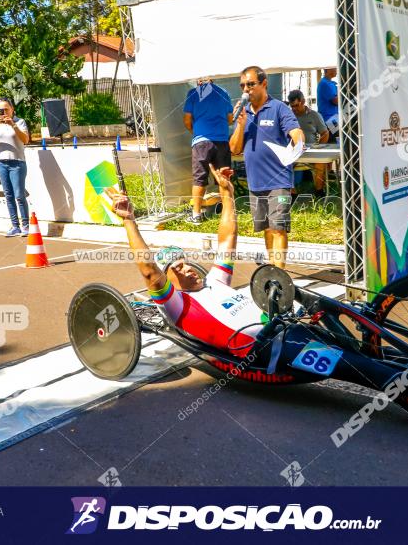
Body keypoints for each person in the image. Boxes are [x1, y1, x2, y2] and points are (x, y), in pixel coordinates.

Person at [106, 164, 267, 355]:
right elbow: (149, 270)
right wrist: (129, 220)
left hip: (277, 328)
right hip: (258, 350)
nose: (187, 269)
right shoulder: (176, 302)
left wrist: (227, 193)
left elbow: (228, 239)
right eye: (177, 268)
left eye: (186, 263)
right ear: (166, 280)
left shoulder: (214, 280)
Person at [229, 66, 304, 269]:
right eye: (243, 85)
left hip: (279, 180)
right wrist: (241, 125)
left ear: (264, 83)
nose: (246, 89)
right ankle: (272, 271)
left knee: (278, 227)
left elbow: (296, 132)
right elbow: (234, 149)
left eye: (251, 84)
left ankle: (279, 275)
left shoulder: (279, 108)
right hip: (256, 182)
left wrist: (298, 142)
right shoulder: (244, 114)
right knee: (267, 229)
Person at [183, 77, 233, 224]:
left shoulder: (193, 93)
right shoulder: (224, 93)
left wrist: (197, 132)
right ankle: (228, 213)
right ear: (212, 79)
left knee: (199, 178)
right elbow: (230, 119)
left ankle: (196, 215)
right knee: (224, 177)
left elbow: (187, 119)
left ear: (198, 79)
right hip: (222, 140)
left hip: (201, 142)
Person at [0, 98, 31, 237]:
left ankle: (26, 225)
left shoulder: (20, 122)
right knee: (8, 196)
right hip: (1, 163)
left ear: (12, 109)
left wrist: (13, 125)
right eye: (0, 110)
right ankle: (15, 226)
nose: (3, 113)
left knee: (19, 195)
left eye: (6, 110)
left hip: (17, 162)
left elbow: (25, 140)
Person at [288, 89, 330, 198]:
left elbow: (325, 134)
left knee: (321, 163)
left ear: (303, 102)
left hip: (311, 150)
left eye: (296, 105)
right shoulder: (288, 116)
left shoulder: (315, 115)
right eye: (292, 106)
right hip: (293, 151)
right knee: (283, 164)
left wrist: (318, 147)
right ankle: (292, 195)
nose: (294, 109)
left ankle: (319, 192)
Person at [317, 68, 339, 141]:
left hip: (333, 119)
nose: (336, 70)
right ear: (328, 70)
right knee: (332, 143)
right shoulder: (325, 83)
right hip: (329, 120)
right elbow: (335, 101)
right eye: (334, 68)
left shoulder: (331, 83)